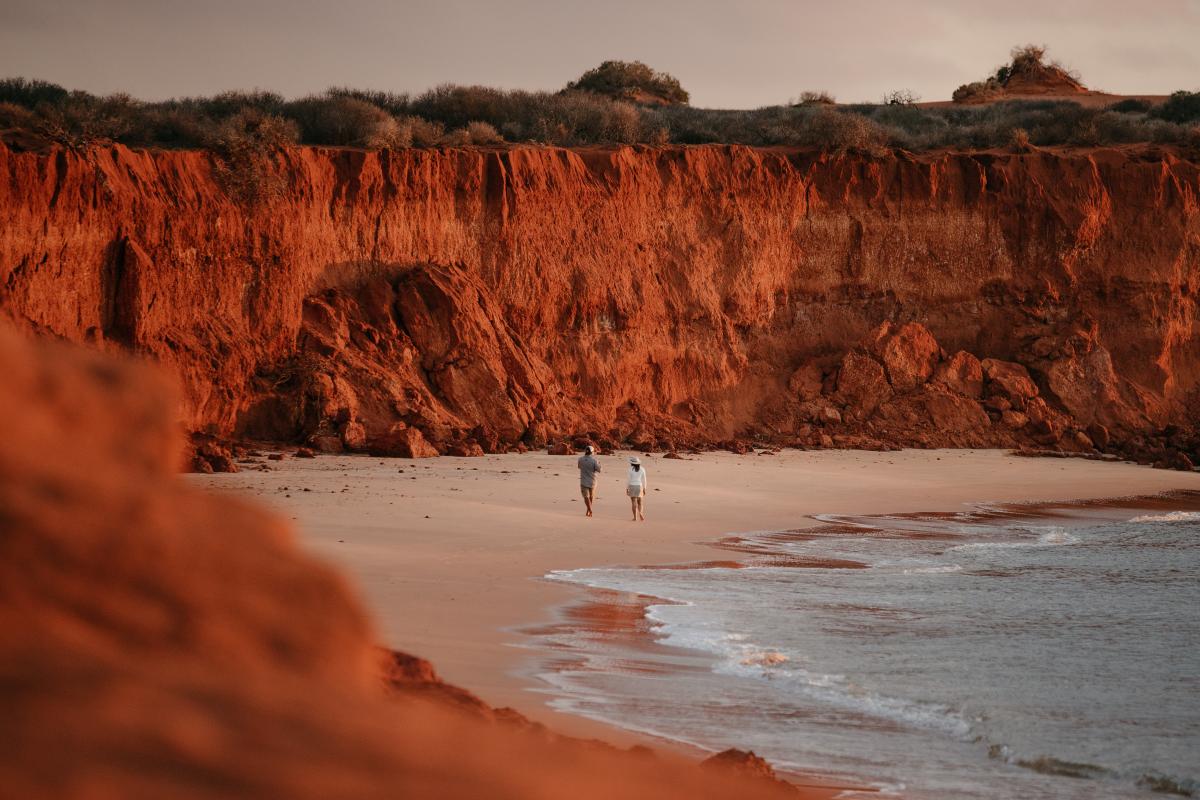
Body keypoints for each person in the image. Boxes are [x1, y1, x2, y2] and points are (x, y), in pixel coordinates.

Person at [576, 445, 601, 517]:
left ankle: (589, 510)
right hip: (593, 481)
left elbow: (579, 467)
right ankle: (589, 510)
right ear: (592, 452)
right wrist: (599, 464)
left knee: (586, 497)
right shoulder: (594, 461)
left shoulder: (580, 459)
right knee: (591, 496)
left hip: (584, 481)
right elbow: (599, 470)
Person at [626, 457, 647, 521]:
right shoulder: (642, 469)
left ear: (632, 463)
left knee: (633, 502)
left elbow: (628, 480)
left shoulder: (630, 469)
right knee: (640, 502)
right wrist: (644, 488)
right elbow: (644, 479)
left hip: (632, 486)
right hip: (639, 486)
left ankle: (635, 517)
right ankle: (640, 513)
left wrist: (627, 488)